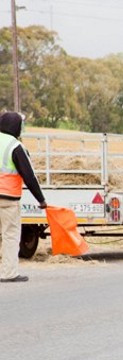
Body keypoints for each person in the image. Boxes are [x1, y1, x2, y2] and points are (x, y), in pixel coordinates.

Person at [0, 112, 47, 283]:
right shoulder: (15, 147)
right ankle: (8, 273)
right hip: (7, 200)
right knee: (10, 235)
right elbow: (29, 176)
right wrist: (41, 200)